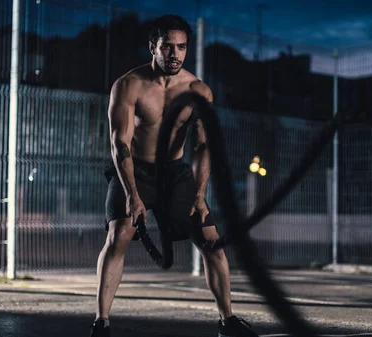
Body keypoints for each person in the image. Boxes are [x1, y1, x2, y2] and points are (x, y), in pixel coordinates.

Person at [90, 14, 260, 337]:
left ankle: (228, 321)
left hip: (174, 172)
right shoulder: (128, 85)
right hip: (134, 170)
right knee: (119, 234)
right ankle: (101, 321)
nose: (175, 55)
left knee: (212, 243)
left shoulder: (198, 91)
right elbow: (119, 143)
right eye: (168, 47)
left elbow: (203, 146)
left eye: (181, 47)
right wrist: (132, 195)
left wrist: (199, 194)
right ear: (153, 46)